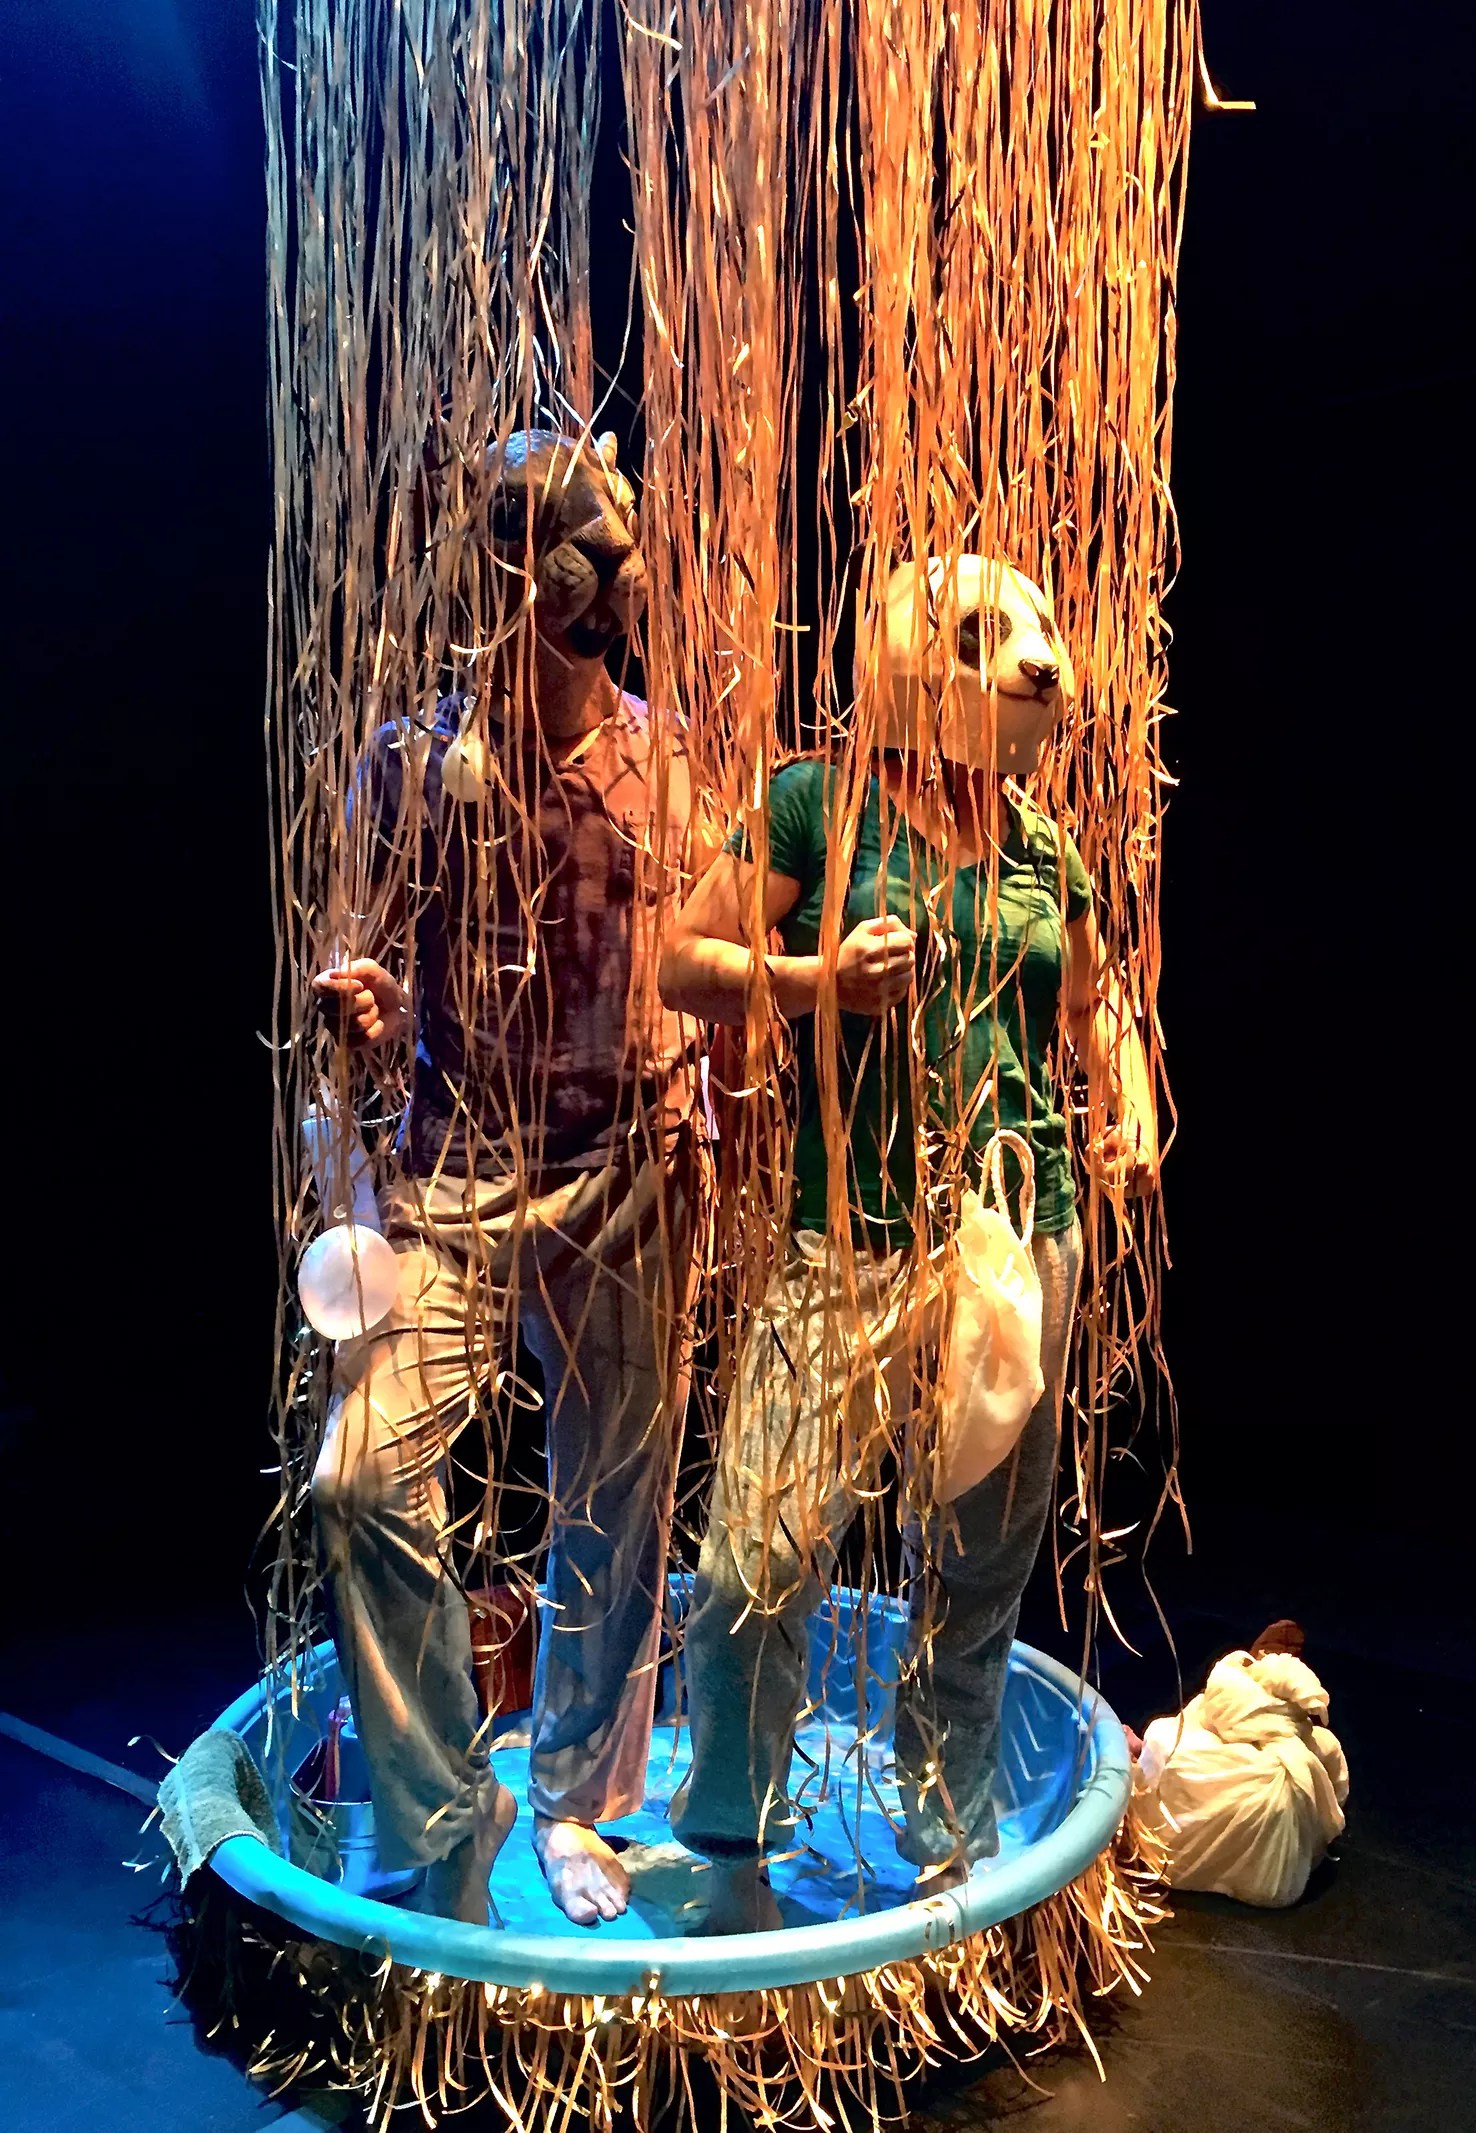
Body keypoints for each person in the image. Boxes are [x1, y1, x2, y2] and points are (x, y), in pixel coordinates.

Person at [658, 553, 1158, 1931]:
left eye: (1041, 634)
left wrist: (1121, 1105)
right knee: (755, 1561)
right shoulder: (819, 806)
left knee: (981, 1563)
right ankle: (732, 1847)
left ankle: (945, 1847)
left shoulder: (1043, 845)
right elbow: (685, 962)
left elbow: (1094, 1008)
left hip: (1018, 1243)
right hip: (855, 1241)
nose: (1036, 664)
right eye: (991, 639)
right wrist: (818, 979)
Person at [308, 429, 702, 1926]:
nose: (597, 574)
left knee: (616, 1492)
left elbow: (697, 953)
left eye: (610, 543)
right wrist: (368, 1013)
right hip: (458, 1170)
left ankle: (579, 1798)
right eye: (559, 546)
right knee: (362, 1476)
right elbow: (376, 967)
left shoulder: (667, 762)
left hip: (623, 1167)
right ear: (501, 571)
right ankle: (440, 1798)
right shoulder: (418, 764)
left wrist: (704, 1083)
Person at [1132, 1621, 1350, 1909]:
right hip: (1276, 1887)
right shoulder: (1316, 1744)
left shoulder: (1227, 1690)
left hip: (1245, 1746)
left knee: (1166, 1744)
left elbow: (1215, 1715)